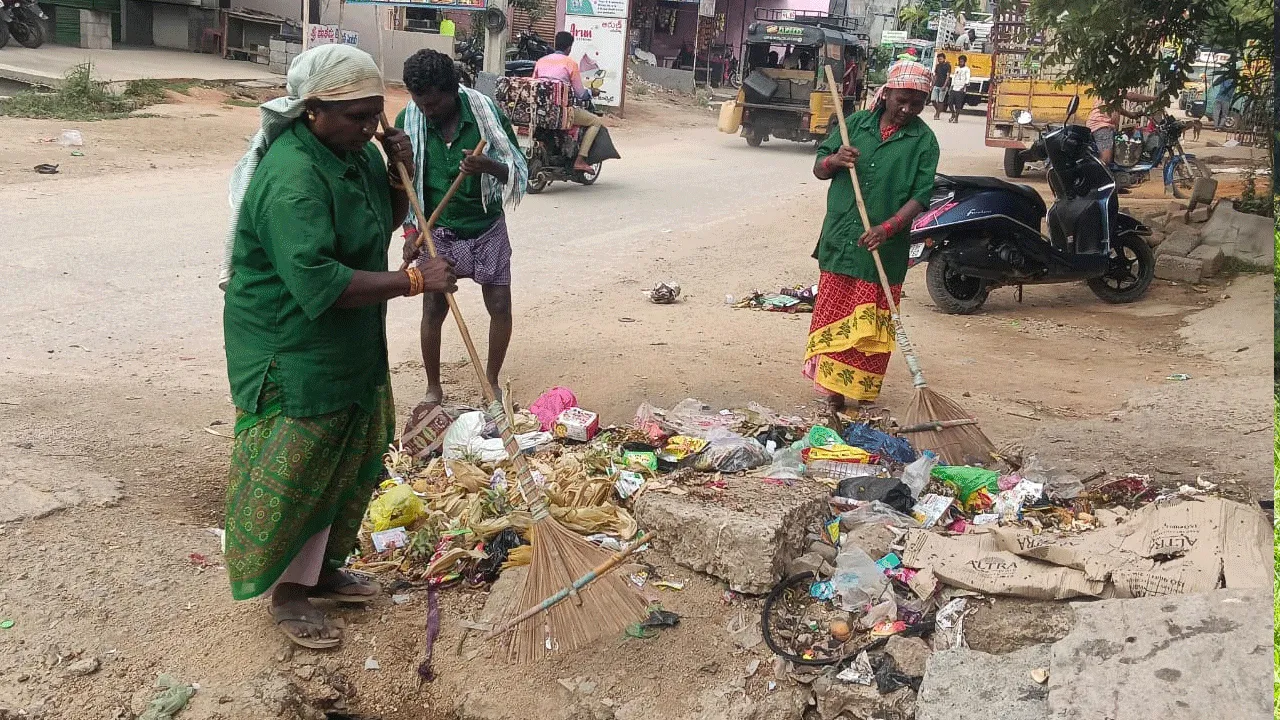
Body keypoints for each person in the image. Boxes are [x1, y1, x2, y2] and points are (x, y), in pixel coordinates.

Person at [220, 44, 457, 648]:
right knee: (303, 464)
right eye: (356, 117)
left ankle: (322, 571)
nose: (368, 127)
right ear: (312, 112)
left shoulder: (350, 153)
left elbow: (378, 221)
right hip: (292, 342)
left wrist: (396, 169)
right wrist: (411, 281)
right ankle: (289, 592)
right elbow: (318, 282)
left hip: (349, 338)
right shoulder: (293, 177)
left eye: (375, 116)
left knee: (353, 453)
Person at [396, 50, 528, 407]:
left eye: (434, 105)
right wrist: (412, 235)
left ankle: (492, 381)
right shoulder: (408, 121)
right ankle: (433, 388)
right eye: (420, 104)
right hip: (437, 229)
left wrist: (488, 166)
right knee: (433, 309)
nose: (427, 112)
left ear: (453, 91)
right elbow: (405, 186)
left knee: (500, 305)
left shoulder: (484, 114)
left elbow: (517, 170)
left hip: (486, 225)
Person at [806, 61, 939, 414]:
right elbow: (819, 169)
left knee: (871, 325)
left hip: (885, 246)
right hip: (841, 237)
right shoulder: (856, 126)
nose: (907, 109)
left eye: (916, 103)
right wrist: (836, 159)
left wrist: (888, 228)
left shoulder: (924, 141)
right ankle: (833, 393)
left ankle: (863, 393)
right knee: (834, 317)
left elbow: (921, 196)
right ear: (887, 95)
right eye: (902, 100)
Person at [534, 31, 605, 172]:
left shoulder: (541, 61)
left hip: (540, 111)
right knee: (596, 121)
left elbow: (535, 85)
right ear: (569, 48)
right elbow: (581, 94)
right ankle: (580, 160)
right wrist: (592, 92)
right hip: (561, 112)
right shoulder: (570, 63)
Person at [1086, 89, 1156, 165]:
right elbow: (1131, 96)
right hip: (1101, 126)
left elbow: (1115, 107)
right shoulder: (1113, 85)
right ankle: (1098, 175)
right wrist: (1153, 98)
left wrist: (1130, 114)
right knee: (1106, 159)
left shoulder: (1111, 92)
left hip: (1105, 126)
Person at [947, 55, 970, 122]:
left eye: (962, 61)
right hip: (954, 88)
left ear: (964, 62)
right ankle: (953, 114)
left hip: (961, 89)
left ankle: (956, 118)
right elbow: (954, 77)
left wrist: (963, 87)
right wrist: (951, 86)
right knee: (949, 102)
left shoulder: (967, 69)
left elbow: (967, 79)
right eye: (959, 61)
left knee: (958, 104)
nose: (960, 63)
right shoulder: (957, 68)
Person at [931, 53, 951, 120]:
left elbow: (948, 76)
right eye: (938, 59)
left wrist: (945, 86)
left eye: (941, 59)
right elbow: (935, 76)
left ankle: (937, 114)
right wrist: (932, 85)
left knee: (940, 101)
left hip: (943, 85)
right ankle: (938, 110)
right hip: (936, 84)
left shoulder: (947, 65)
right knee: (933, 100)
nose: (939, 60)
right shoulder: (937, 66)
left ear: (944, 58)